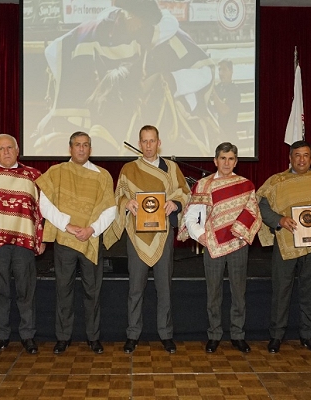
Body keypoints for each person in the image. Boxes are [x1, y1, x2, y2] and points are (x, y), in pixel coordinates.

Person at [34, 0, 217, 157]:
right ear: (127, 14)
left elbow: (203, 70)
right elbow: (53, 51)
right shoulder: (95, 31)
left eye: (145, 23)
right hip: (112, 104)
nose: (141, 27)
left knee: (177, 123)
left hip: (160, 94)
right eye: (139, 21)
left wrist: (172, 80)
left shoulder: (170, 38)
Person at [104, 125, 190, 354]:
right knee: (135, 289)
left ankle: (166, 334)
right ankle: (133, 334)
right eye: (144, 141)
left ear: (159, 142)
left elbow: (185, 192)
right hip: (137, 236)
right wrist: (126, 204)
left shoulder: (171, 168)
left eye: (152, 141)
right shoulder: (129, 169)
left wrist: (176, 204)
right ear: (140, 143)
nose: (149, 145)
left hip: (162, 236)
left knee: (164, 288)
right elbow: (119, 195)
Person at [257, 140, 311, 354]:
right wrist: (279, 220)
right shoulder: (276, 182)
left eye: (306, 155)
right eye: (297, 155)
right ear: (290, 157)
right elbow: (260, 207)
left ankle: (307, 335)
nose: (302, 159)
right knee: (281, 291)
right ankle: (276, 336)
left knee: (309, 291)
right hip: (286, 245)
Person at [36, 132, 116, 355]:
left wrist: (92, 229)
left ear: (90, 149)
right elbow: (46, 205)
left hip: (91, 240)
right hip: (65, 239)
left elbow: (111, 209)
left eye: (86, 145)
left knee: (93, 291)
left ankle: (93, 337)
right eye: (77, 145)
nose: (81, 149)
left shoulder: (103, 176)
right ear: (70, 148)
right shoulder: (57, 173)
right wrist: (67, 226)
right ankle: (63, 337)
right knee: (64, 290)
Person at [177, 142, 261, 353]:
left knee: (238, 292)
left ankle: (237, 335)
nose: (226, 162)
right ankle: (214, 334)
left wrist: (240, 231)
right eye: (222, 158)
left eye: (231, 158)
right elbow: (190, 216)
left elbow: (252, 212)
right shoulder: (203, 185)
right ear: (215, 161)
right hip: (212, 245)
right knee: (213, 292)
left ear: (236, 161)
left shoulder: (246, 185)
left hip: (238, 245)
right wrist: (201, 236)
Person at [0, 134, 45, 356]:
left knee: (26, 290)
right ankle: (1, 335)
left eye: (9, 147)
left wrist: (40, 240)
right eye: (1, 149)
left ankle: (28, 335)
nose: (6, 152)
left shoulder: (35, 177)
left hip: (25, 242)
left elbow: (42, 212)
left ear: (17, 149)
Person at [211, 60, 241, 138]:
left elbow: (224, 111)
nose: (221, 73)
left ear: (231, 71)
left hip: (228, 133)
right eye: (219, 70)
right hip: (217, 133)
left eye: (224, 69)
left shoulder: (234, 90)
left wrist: (214, 93)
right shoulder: (218, 87)